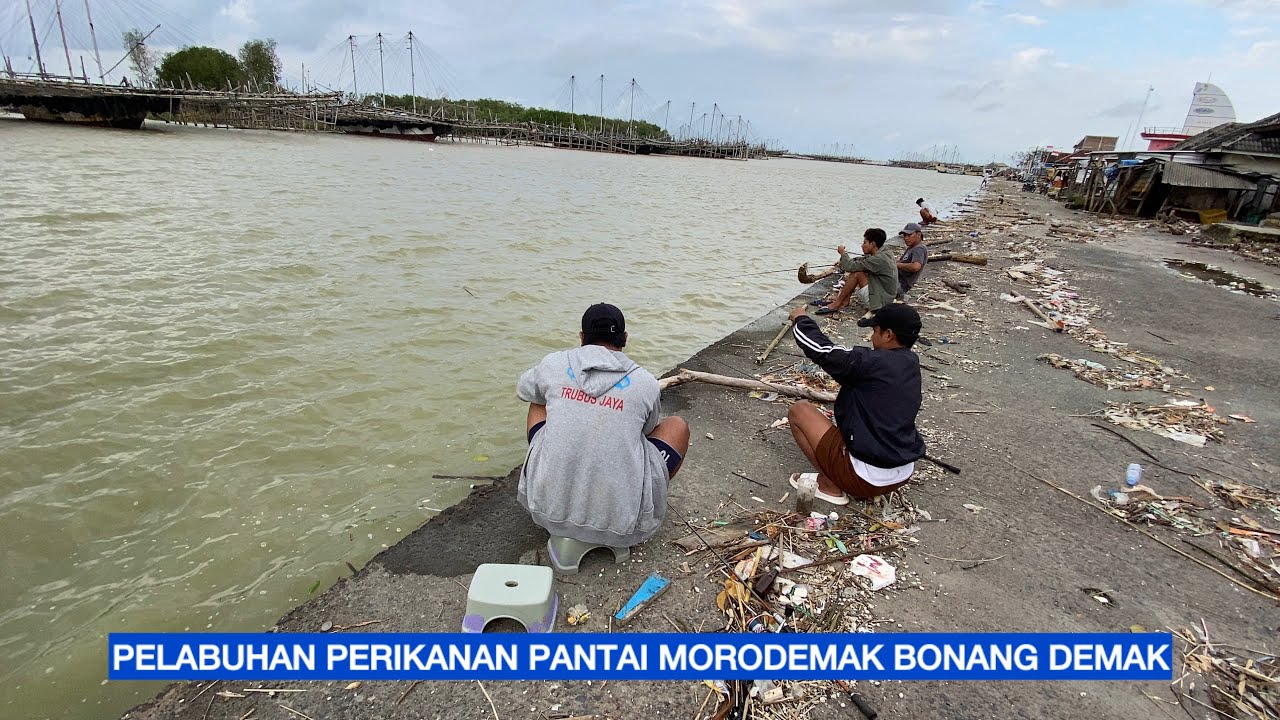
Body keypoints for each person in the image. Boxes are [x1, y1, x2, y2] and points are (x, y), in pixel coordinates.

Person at [516, 303, 690, 547]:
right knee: (677, 426)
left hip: (545, 513)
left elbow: (523, 389)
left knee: (538, 401)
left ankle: (551, 481)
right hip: (624, 530)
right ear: (625, 338)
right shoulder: (645, 382)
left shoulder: (553, 363)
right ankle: (636, 499)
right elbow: (648, 430)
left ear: (581, 336)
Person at [784, 303, 926, 504]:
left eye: (875, 331)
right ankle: (846, 472)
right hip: (902, 472)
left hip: (866, 478)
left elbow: (822, 350)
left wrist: (800, 319)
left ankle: (830, 485)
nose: (871, 337)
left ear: (888, 335)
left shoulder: (871, 362)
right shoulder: (910, 363)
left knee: (800, 411)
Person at [811, 228, 897, 317]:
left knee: (857, 273)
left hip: (881, 302)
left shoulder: (879, 259)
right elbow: (864, 260)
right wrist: (843, 261)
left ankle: (837, 303)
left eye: (864, 243)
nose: (862, 245)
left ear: (873, 244)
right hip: (885, 295)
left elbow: (850, 267)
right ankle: (845, 300)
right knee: (859, 269)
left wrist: (843, 253)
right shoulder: (885, 252)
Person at [895, 223, 928, 299]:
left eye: (909, 235)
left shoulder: (919, 249)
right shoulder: (911, 248)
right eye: (904, 235)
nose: (906, 238)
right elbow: (900, 261)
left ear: (918, 234)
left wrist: (896, 265)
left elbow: (915, 267)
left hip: (900, 285)